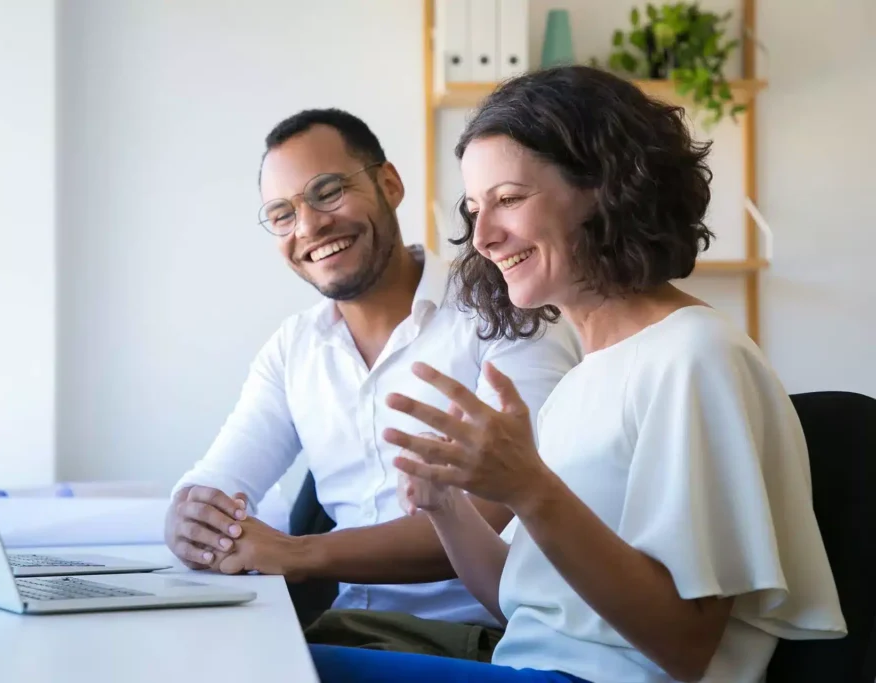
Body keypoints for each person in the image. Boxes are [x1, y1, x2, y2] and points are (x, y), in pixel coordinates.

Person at [309, 66, 847, 682]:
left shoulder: (695, 355)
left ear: (604, 186)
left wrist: (530, 488)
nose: (482, 236)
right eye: (474, 208)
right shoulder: (582, 378)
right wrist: (445, 508)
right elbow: (530, 613)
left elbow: (685, 645)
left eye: (509, 199)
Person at [164, 108, 583, 660]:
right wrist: (189, 518)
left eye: (328, 191)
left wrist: (300, 553)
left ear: (389, 184)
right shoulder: (295, 348)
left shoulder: (505, 313)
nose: (309, 226)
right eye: (282, 214)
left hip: (485, 642)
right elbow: (218, 479)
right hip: (354, 635)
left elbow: (496, 509)